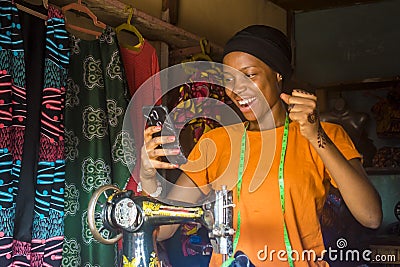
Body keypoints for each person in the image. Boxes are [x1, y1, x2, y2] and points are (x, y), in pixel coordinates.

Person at [140, 25, 382, 266]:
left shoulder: (325, 135)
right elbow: (162, 231)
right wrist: (148, 176)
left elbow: (371, 216)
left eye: (250, 75)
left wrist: (316, 135)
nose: (237, 90)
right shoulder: (216, 143)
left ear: (278, 75)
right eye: (229, 80)